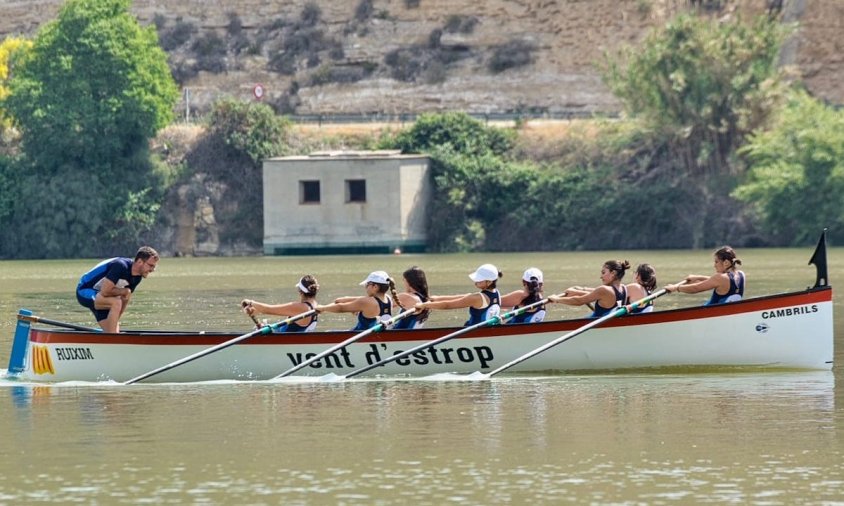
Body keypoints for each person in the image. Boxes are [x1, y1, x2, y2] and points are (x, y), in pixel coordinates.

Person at [75, 246, 160, 333]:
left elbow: (125, 300)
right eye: (151, 266)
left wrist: (114, 325)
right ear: (139, 262)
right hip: (84, 290)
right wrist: (124, 291)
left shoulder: (137, 278)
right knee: (116, 302)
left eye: (154, 267)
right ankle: (113, 339)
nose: (152, 270)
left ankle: (112, 338)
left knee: (113, 331)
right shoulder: (120, 265)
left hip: (101, 296)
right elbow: (105, 291)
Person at [415, 263, 502, 326]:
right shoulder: (496, 293)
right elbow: (464, 297)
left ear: (489, 282)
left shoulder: (477, 298)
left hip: (474, 334)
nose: (475, 282)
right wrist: (436, 298)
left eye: (479, 280)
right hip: (486, 331)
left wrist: (424, 305)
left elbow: (447, 305)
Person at [316, 271, 398, 331]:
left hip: (361, 337)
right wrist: (344, 299)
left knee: (329, 332)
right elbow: (360, 299)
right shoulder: (387, 298)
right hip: (379, 336)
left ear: (375, 286)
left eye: (367, 285)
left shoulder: (367, 302)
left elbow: (341, 308)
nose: (365, 287)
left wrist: (323, 308)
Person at [549, 260, 630, 318]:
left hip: (597, 326)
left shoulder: (604, 290)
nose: (601, 276)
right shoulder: (624, 288)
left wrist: (557, 299)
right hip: (608, 323)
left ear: (613, 273)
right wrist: (580, 290)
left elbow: (579, 301)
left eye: (603, 272)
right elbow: (595, 293)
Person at [665, 246, 745, 305]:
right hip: (727, 314)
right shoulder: (741, 274)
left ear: (726, 263)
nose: (714, 265)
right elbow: (716, 282)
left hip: (711, 314)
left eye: (716, 262)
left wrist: (676, 288)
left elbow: (696, 288)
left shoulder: (720, 278)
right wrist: (698, 277)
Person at [241, 275, 320, 332]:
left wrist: (251, 302)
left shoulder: (302, 308)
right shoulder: (315, 305)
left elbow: (267, 309)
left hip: (289, 346)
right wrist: (257, 311)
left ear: (300, 291)